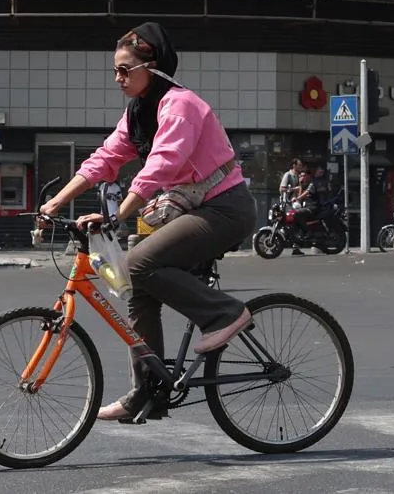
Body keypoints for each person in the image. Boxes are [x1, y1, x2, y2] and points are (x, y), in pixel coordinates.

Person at [39, 23, 256, 424]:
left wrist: (115, 216)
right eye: (115, 71)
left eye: (126, 70)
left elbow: (161, 166)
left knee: (137, 263)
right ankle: (148, 392)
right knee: (134, 285)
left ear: (152, 68)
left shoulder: (181, 105)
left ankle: (224, 313)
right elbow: (104, 159)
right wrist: (56, 201)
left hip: (225, 208)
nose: (118, 78)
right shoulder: (138, 112)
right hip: (191, 209)